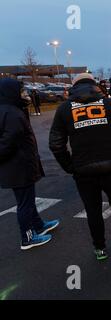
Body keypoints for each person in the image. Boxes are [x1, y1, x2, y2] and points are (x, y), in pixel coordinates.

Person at [49, 73, 111, 261]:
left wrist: (70, 166)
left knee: (93, 209)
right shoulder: (108, 104)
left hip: (83, 169)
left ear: (73, 87)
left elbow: (56, 144)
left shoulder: (64, 109)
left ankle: (100, 248)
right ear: (95, 85)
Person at [0, 78, 60, 250]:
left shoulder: (11, 109)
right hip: (18, 166)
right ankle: (27, 237)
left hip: (19, 165)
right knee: (24, 203)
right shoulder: (11, 113)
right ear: (11, 93)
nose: (25, 94)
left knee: (28, 199)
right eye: (21, 92)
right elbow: (8, 141)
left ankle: (38, 225)